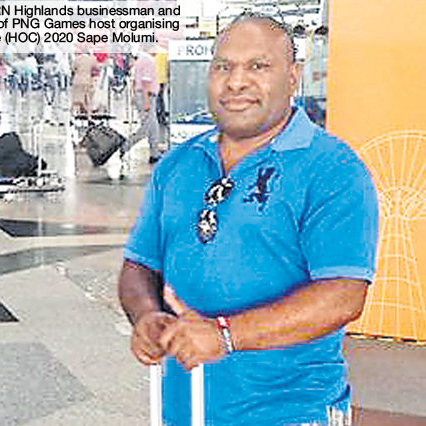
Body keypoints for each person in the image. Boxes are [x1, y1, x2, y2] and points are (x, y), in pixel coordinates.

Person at [118, 13, 379, 426]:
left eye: (258, 66)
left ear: (293, 77)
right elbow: (139, 264)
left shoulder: (332, 169)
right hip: (184, 410)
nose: (236, 82)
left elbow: (344, 294)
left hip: (292, 413)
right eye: (223, 66)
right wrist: (146, 316)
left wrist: (226, 335)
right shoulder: (177, 165)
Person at [129, 43, 161, 163]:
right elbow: (146, 82)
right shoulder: (148, 60)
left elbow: (135, 81)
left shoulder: (140, 59)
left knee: (153, 128)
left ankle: (154, 154)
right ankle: (124, 146)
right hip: (147, 96)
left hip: (143, 95)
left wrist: (134, 96)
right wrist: (146, 101)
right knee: (148, 127)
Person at [70, 50, 99, 116]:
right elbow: (97, 67)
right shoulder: (92, 59)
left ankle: (73, 114)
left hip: (77, 80)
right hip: (87, 80)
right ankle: (89, 115)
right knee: (88, 100)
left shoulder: (77, 59)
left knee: (76, 98)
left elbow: (72, 69)